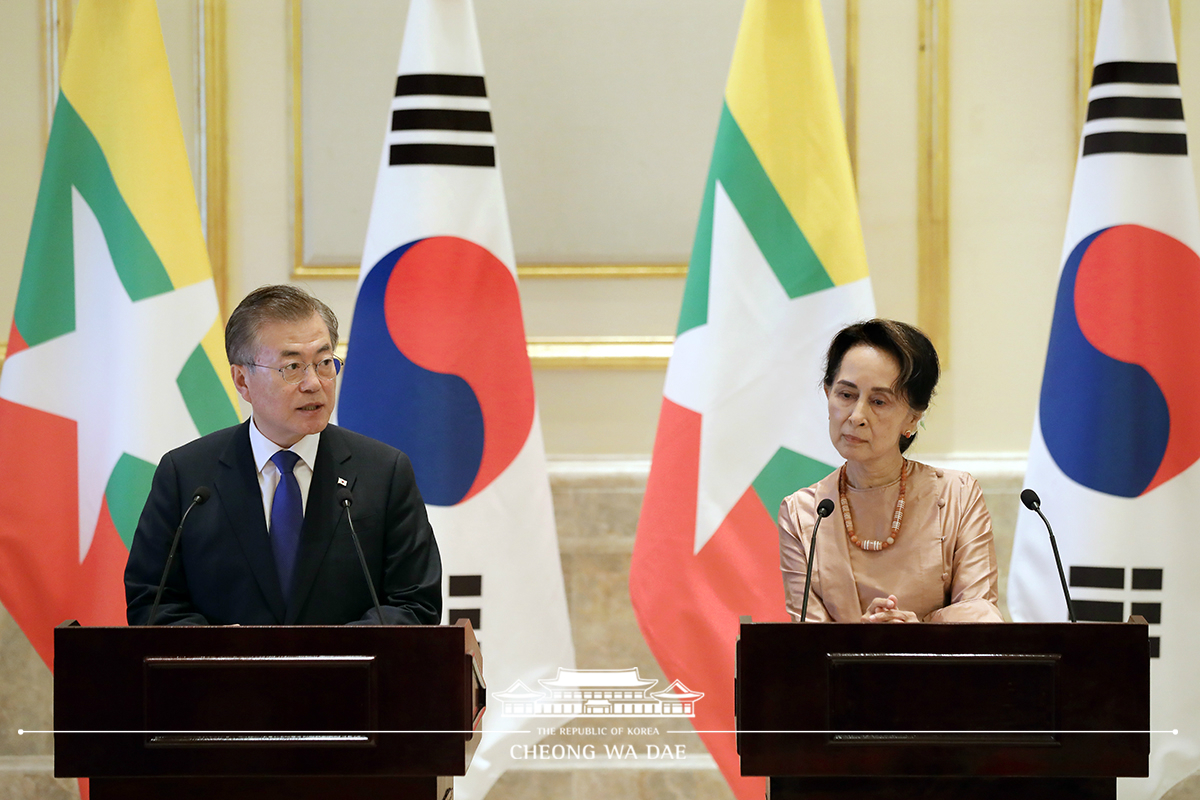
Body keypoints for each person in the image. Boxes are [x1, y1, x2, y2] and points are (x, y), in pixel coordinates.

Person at [125, 285, 442, 625]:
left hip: (348, 677)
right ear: (242, 380)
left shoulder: (384, 473)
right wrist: (226, 654)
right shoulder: (186, 477)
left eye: (324, 362)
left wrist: (331, 655)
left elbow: (416, 604)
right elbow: (152, 604)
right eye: (292, 367)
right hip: (226, 678)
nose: (314, 383)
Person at [778, 319, 1003, 623]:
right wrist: (864, 635)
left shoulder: (957, 496)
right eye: (846, 395)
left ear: (912, 419)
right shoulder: (804, 514)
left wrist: (917, 633)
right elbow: (805, 647)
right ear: (828, 393)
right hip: (842, 672)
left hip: (942, 670)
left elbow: (982, 617)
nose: (857, 416)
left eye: (879, 401)